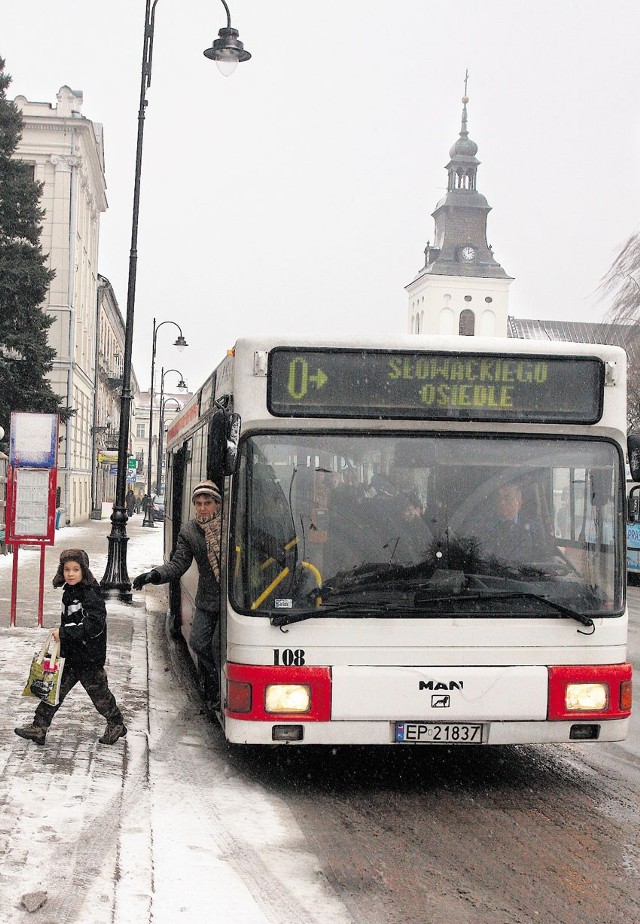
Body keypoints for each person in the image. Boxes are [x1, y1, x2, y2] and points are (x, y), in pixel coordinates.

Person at [15, 549, 126, 747]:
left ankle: (116, 723)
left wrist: (64, 634)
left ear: (84, 570)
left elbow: (94, 625)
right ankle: (39, 727)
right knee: (54, 691)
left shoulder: (90, 594)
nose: (71, 574)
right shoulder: (70, 591)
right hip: (71, 654)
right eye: (67, 569)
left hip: (88, 657)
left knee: (99, 694)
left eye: (75, 569)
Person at [133, 480, 222, 710]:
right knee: (199, 643)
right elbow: (178, 564)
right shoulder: (190, 531)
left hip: (235, 601)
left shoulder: (231, 526)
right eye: (198, 503)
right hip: (208, 598)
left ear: (217, 504)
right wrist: (153, 575)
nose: (203, 508)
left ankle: (219, 693)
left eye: (208, 503)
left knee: (220, 647)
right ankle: (215, 684)